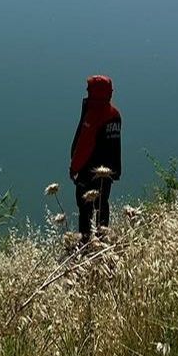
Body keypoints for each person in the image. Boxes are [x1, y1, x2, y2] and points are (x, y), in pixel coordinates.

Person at [70, 75, 122, 240]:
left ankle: (86, 243)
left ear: (96, 93)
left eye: (89, 89)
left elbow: (84, 146)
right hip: (107, 173)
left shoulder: (94, 116)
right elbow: (115, 146)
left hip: (89, 172)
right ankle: (103, 239)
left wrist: (74, 168)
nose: (87, 90)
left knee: (85, 209)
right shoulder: (115, 114)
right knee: (102, 205)